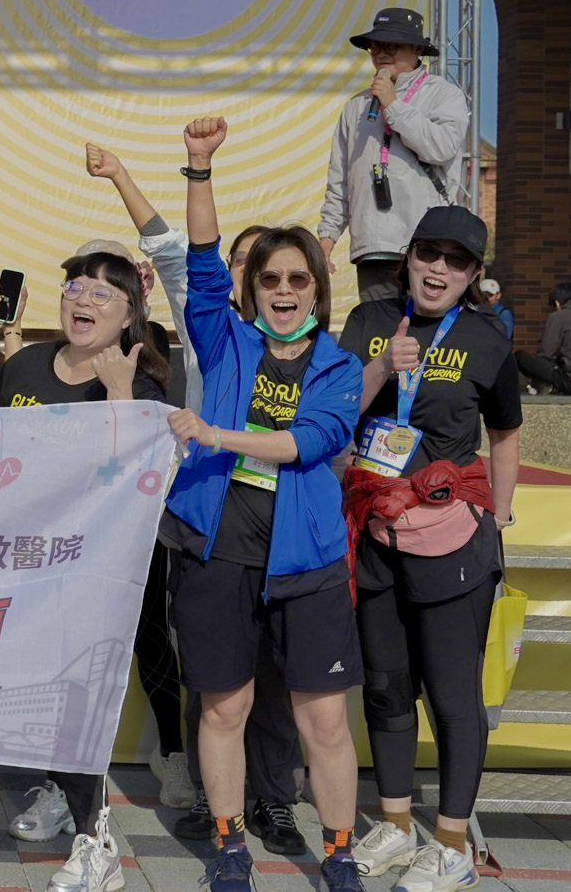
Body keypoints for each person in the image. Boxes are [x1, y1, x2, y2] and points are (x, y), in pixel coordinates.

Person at [163, 115, 366, 892]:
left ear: (317, 288)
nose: (283, 291)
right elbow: (203, 257)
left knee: (324, 721)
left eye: (298, 280)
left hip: (307, 562)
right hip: (218, 551)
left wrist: (214, 433)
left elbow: (307, 444)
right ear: (253, 290)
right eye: (271, 280)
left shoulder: (340, 368)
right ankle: (230, 847)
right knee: (224, 710)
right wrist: (199, 166)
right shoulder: (224, 339)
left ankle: (339, 853)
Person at [83, 146, 306, 851]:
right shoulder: (210, 322)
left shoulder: (308, 344)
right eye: (244, 264)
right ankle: (215, 801)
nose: (256, 278)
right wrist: (122, 175)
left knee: (273, 672)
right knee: (210, 668)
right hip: (209, 513)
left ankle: (276, 801)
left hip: (281, 520)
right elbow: (172, 248)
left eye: (273, 270)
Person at [339, 206, 522, 892]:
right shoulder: (367, 322)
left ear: (474, 274)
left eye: (457, 260)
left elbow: (504, 433)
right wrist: (382, 365)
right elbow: (335, 411)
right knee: (385, 688)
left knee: (451, 694)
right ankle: (394, 824)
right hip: (375, 531)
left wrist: (497, 516)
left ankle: (450, 845)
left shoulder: (486, 336)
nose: (439, 268)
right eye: (428, 253)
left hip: (452, 537)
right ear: (407, 258)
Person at [0, 252, 168, 892]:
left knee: (77, 697)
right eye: (76, 287)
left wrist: (119, 393)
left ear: (129, 315)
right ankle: (61, 793)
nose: (83, 301)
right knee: (42, 693)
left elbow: (139, 476)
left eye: (102, 293)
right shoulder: (24, 365)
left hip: (93, 568)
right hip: (23, 563)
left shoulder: (145, 382)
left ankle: (98, 845)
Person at [318, 8, 470, 305]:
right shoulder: (356, 106)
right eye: (375, 46)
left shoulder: (443, 95)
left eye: (392, 45)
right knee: (378, 328)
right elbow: (340, 182)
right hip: (373, 249)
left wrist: (393, 104)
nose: (381, 54)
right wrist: (326, 239)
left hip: (425, 247)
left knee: (423, 328)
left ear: (417, 49)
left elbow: (441, 148)